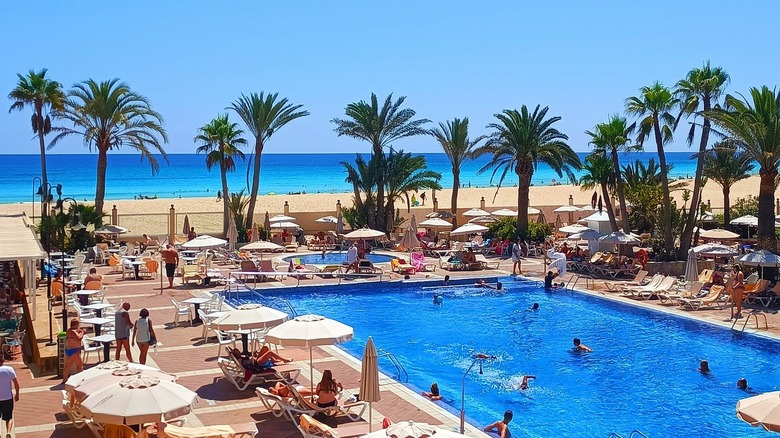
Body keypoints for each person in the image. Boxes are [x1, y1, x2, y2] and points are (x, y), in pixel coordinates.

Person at [0, 356, 19, 437]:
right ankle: (8, 432)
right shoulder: (9, 369)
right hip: (7, 397)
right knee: (9, 417)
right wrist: (17, 393)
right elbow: (16, 383)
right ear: (3, 360)